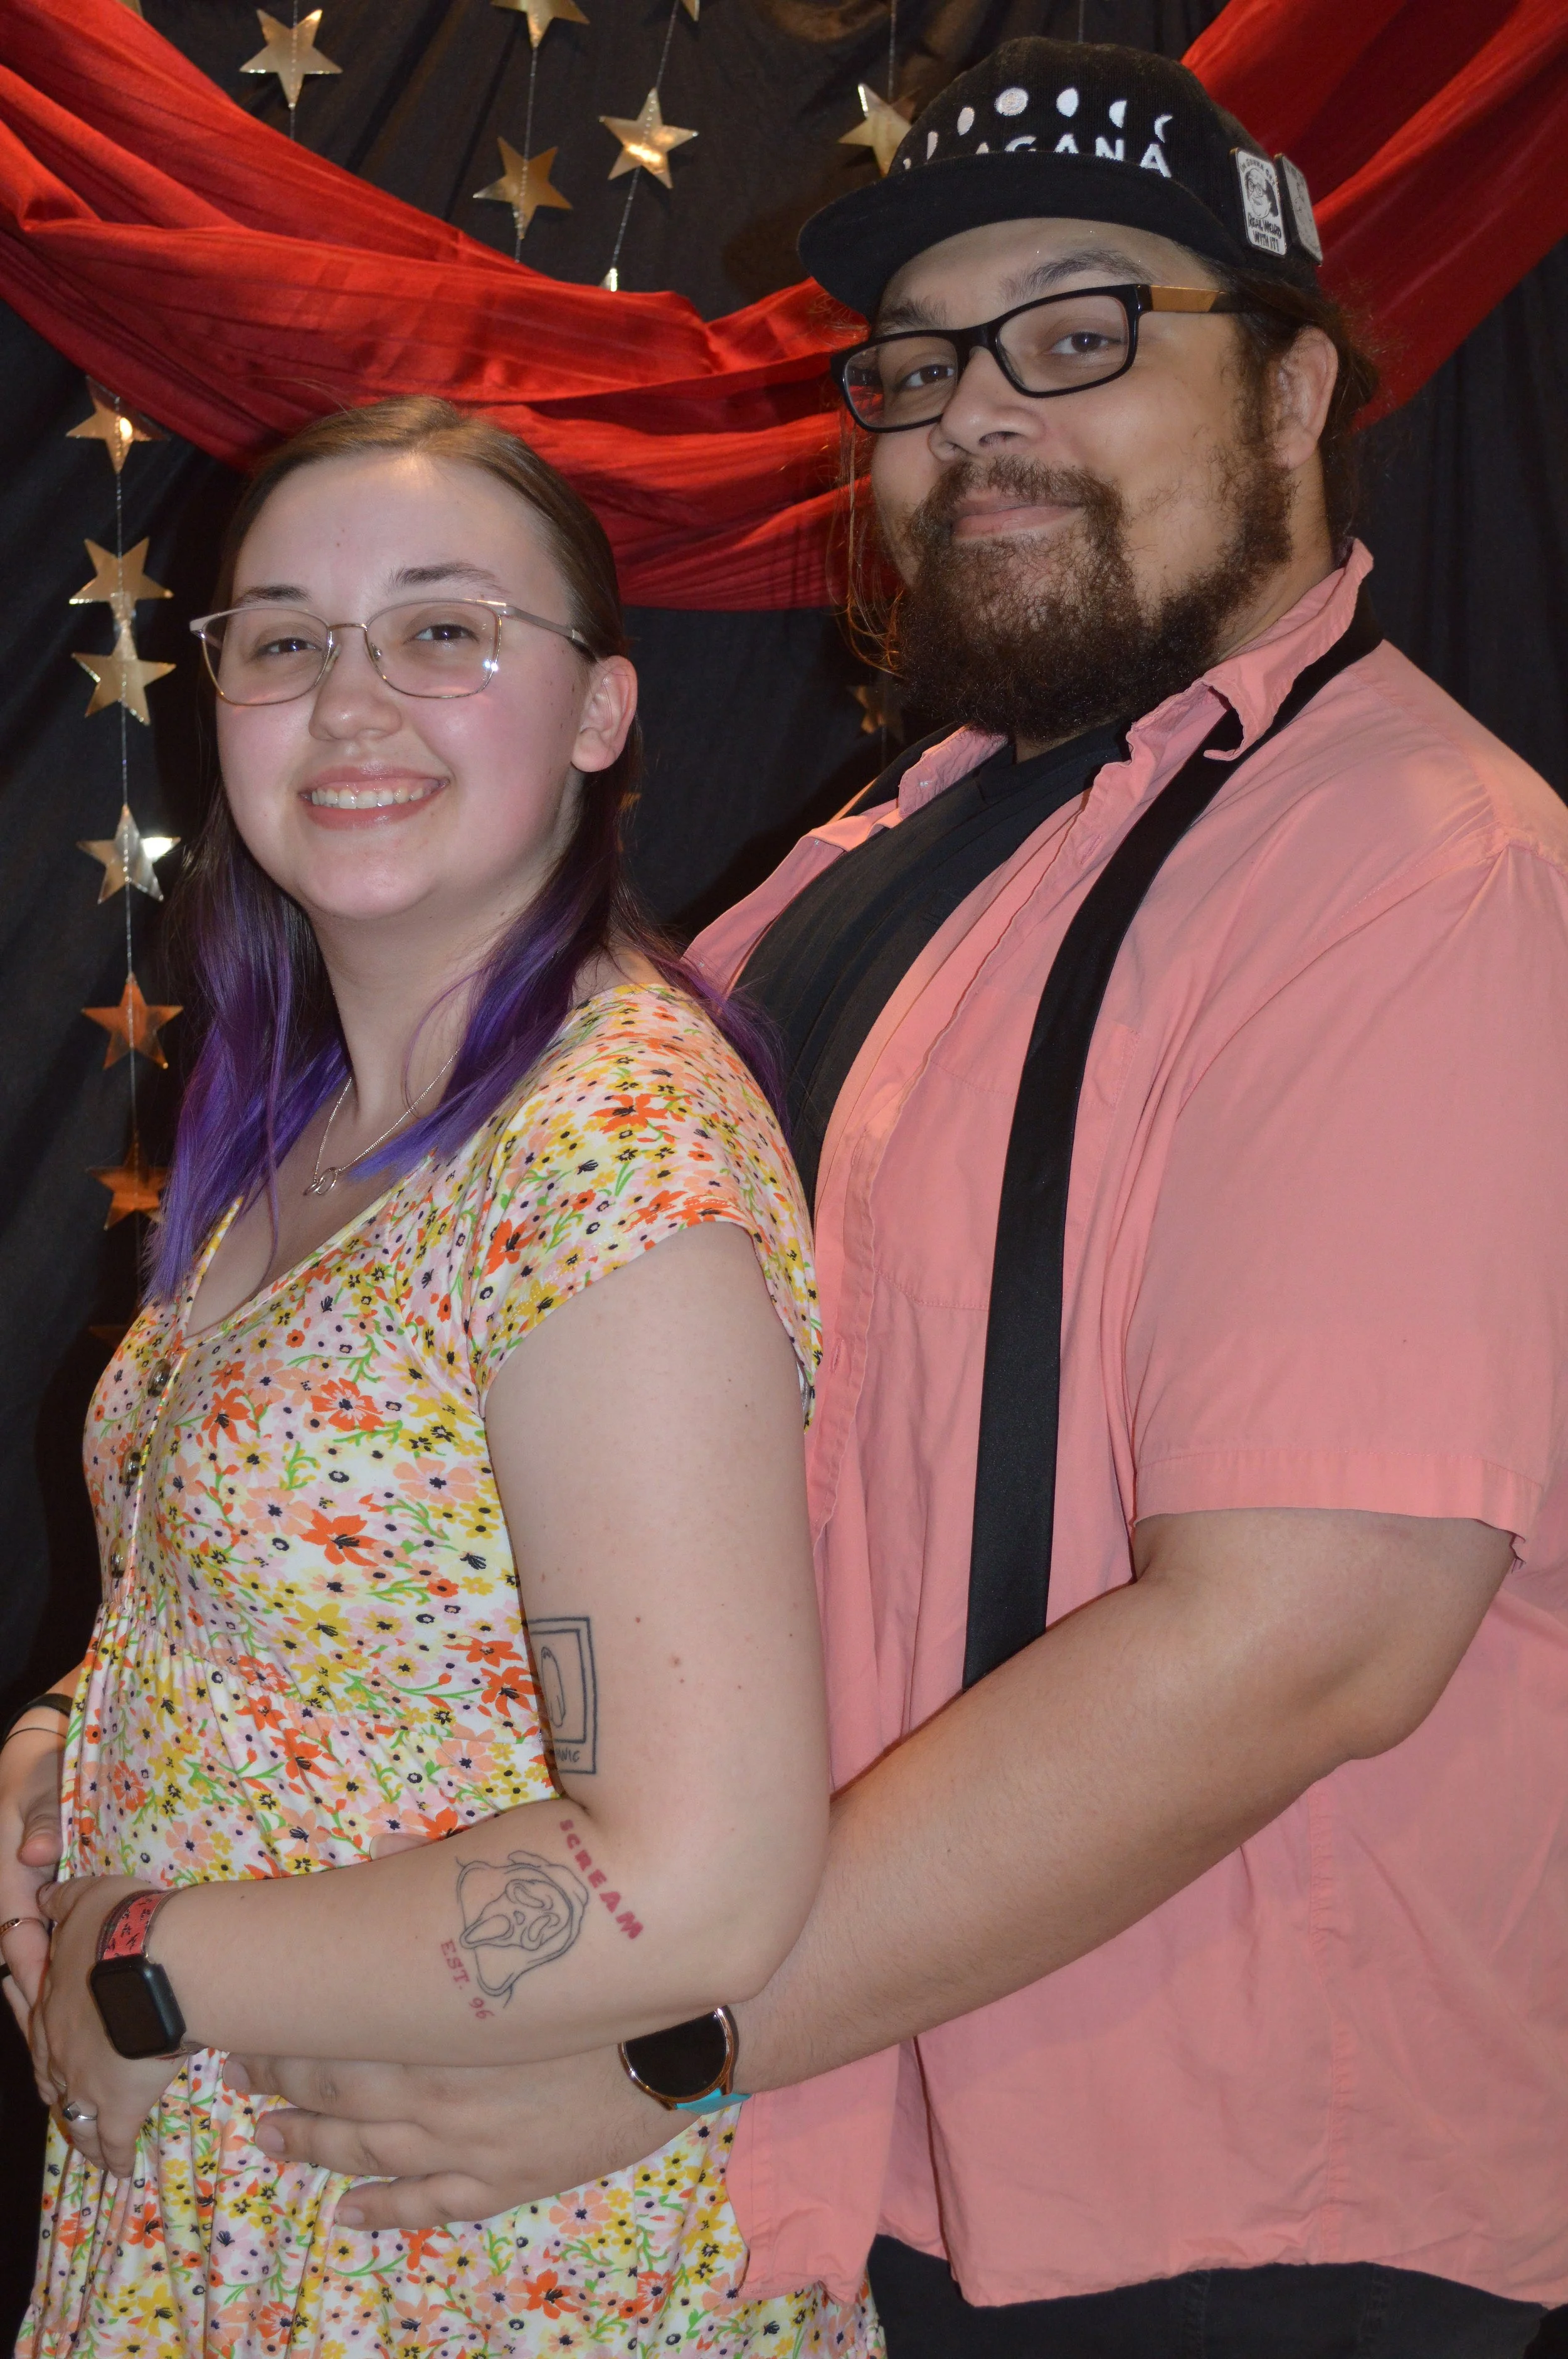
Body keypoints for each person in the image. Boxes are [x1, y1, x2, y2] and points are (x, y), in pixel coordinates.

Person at [14, 34, 1568, 2359]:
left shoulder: (1419, 873)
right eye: (919, 366)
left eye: (1078, 336)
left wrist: (670, 2034)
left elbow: (1302, 1633)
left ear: (1292, 391)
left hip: (1204, 2203)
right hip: (853, 2168)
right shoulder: (873, 862)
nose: (976, 418)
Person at [0, 395, 878, 2358]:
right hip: (239, 2214)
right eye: (286, 637)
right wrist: (69, 1744)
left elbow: (693, 1875)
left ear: (599, 713)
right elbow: (311, 1612)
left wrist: (138, 1963)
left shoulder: (606, 1155)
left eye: (444, 630)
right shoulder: (303, 1124)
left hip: (443, 2258)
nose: (351, 701)